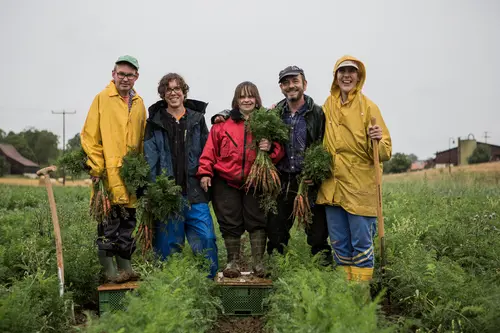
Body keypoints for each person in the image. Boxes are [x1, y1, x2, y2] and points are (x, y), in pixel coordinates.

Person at [212, 66, 333, 265]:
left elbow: (325, 145)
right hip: (281, 181)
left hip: (308, 182)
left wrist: (316, 174)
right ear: (281, 87)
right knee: (276, 236)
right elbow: (246, 114)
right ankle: (277, 274)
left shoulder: (318, 113)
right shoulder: (275, 112)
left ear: (304, 83)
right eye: (286, 83)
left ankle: (323, 276)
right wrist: (225, 113)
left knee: (318, 235)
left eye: (295, 81)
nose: (291, 86)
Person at [197, 81, 285, 278]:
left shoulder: (266, 122)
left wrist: (270, 148)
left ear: (256, 99)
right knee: (229, 221)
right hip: (226, 180)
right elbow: (209, 151)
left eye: (250, 96)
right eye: (242, 96)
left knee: (257, 221)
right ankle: (232, 262)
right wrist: (205, 172)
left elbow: (279, 151)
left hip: (255, 182)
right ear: (236, 101)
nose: (247, 100)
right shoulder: (222, 125)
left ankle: (258, 263)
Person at [317, 55, 392, 282]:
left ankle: (360, 297)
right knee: (339, 244)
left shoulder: (369, 107)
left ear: (359, 77)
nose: (347, 76)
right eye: (342, 72)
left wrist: (377, 140)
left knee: (361, 245)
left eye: (351, 72)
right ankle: (345, 296)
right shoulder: (326, 106)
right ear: (335, 76)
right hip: (332, 188)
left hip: (360, 188)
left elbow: (386, 151)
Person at [143, 73, 218, 279]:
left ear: (184, 92)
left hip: (195, 194)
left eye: (177, 89)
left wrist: (205, 173)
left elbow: (208, 151)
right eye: (168, 89)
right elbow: (149, 158)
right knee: (167, 248)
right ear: (163, 94)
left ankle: (207, 286)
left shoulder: (197, 119)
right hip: (168, 197)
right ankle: (169, 289)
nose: (173, 93)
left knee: (206, 239)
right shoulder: (155, 122)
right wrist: (154, 190)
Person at [81, 55, 146, 283]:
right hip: (108, 175)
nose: (125, 79)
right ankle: (110, 273)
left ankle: (126, 269)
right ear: (113, 74)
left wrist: (140, 172)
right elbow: (89, 136)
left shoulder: (139, 104)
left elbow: (141, 141)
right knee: (109, 225)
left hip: (130, 178)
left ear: (136, 77)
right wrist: (97, 168)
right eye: (121, 74)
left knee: (128, 222)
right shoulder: (102, 99)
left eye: (130, 75)